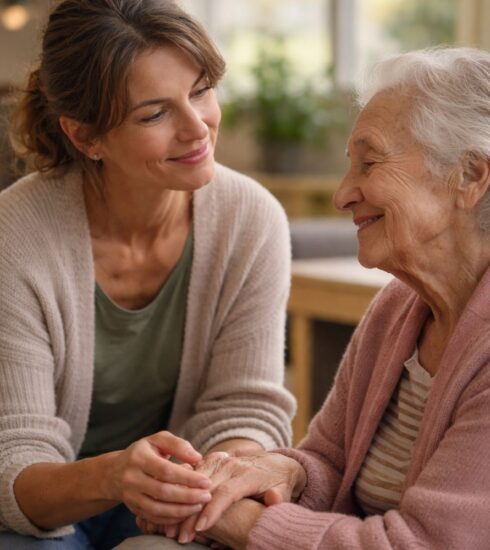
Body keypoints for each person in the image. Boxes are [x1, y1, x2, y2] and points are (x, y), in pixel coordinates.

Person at [121, 47, 490, 550]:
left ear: (469, 176)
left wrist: (236, 522)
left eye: (370, 162)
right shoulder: (399, 308)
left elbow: (423, 544)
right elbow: (328, 462)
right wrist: (275, 472)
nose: (342, 194)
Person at [0, 0, 295, 547]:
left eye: (201, 90)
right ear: (86, 136)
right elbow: (12, 460)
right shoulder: (15, 235)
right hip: (45, 502)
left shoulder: (252, 219)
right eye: (154, 114)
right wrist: (113, 476)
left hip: (175, 500)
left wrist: (222, 481)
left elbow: (244, 409)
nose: (197, 128)